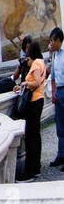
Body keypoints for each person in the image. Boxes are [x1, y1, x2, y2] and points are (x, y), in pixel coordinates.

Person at [15, 39, 47, 180]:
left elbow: (37, 82)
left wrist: (25, 82)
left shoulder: (35, 64)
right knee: (36, 137)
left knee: (30, 138)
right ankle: (36, 168)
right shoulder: (41, 62)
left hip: (33, 102)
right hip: (38, 101)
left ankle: (29, 172)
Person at [47, 27, 64, 167]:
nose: (50, 43)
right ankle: (61, 155)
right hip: (58, 91)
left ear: (58, 40)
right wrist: (53, 93)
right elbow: (52, 76)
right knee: (60, 126)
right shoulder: (55, 55)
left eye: (52, 40)